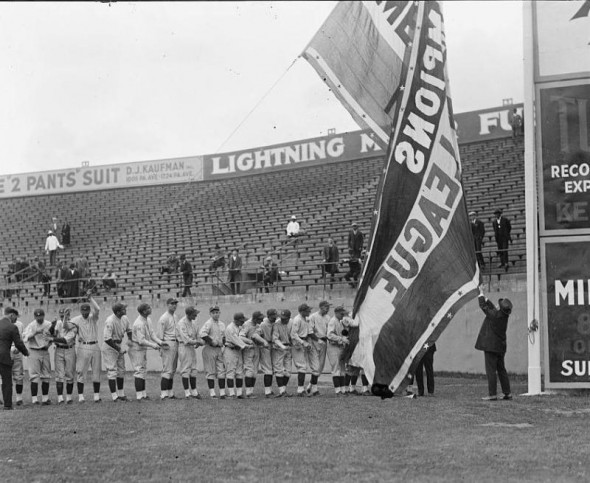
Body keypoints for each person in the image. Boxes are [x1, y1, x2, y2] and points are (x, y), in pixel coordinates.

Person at [475, 287, 513, 401]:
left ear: (500, 309)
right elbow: (492, 308)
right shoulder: (502, 316)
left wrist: (480, 295)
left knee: (491, 371)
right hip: (500, 347)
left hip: (491, 347)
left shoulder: (495, 316)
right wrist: (486, 298)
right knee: (501, 370)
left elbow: (484, 308)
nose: (497, 305)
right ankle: (507, 393)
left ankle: (492, 394)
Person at [66, 294, 102, 403]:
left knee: (96, 371)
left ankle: (96, 395)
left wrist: (90, 298)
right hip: (83, 346)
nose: (85, 313)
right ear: (80, 311)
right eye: (83, 311)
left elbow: (98, 309)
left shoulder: (93, 317)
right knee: (81, 371)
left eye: (87, 311)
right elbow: (66, 326)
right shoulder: (76, 319)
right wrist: (65, 316)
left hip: (95, 345)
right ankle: (81, 396)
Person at [129, 303, 167, 401]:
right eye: (148, 308)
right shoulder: (139, 323)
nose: (150, 309)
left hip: (142, 348)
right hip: (136, 347)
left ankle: (143, 394)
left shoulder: (148, 320)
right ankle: (139, 396)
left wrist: (160, 342)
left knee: (143, 370)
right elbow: (141, 340)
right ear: (144, 311)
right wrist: (153, 345)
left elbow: (152, 334)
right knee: (139, 370)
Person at [0, 307, 29, 410]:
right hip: (4, 357)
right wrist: (26, 352)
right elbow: (18, 343)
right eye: (15, 317)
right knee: (7, 382)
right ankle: (7, 405)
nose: (15, 320)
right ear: (11, 315)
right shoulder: (12, 327)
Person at [103, 302, 132, 402]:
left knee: (121, 370)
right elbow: (107, 339)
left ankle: (121, 394)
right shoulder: (110, 320)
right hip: (110, 346)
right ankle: (114, 396)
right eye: (124, 309)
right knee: (112, 371)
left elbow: (129, 330)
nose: (125, 310)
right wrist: (119, 349)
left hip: (119, 344)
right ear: (118, 312)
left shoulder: (124, 318)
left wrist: (130, 340)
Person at [23, 308, 53, 405]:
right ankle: (34, 399)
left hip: (44, 351)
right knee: (34, 376)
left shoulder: (48, 324)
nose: (39, 318)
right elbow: (25, 338)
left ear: (44, 316)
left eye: (41, 316)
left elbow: (53, 337)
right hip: (34, 351)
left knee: (46, 375)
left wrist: (48, 345)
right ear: (34, 316)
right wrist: (35, 333)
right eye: (37, 316)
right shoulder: (31, 325)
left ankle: (45, 399)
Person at [50, 308, 77, 404]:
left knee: (69, 373)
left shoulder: (73, 324)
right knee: (59, 374)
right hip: (59, 349)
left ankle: (69, 397)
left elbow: (65, 339)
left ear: (68, 315)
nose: (62, 318)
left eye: (64, 316)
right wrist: (51, 328)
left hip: (69, 348)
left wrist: (52, 339)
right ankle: (60, 397)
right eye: (61, 316)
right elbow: (53, 333)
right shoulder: (57, 323)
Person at [199, 305, 227, 399]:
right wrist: (211, 341)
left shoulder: (222, 324)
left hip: (219, 349)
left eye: (217, 312)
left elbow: (224, 336)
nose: (215, 314)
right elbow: (202, 334)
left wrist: (223, 343)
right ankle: (212, 394)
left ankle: (222, 393)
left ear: (219, 313)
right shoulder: (208, 323)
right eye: (213, 312)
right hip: (210, 348)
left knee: (221, 371)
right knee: (210, 371)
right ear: (210, 314)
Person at [224, 312, 253, 399]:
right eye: (241, 321)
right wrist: (246, 346)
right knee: (230, 372)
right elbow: (236, 340)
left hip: (238, 351)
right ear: (236, 320)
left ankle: (239, 393)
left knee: (239, 372)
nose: (242, 322)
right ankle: (232, 394)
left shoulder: (238, 327)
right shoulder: (230, 328)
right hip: (230, 350)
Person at [176, 306, 203, 399]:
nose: (196, 315)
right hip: (184, 346)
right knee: (185, 369)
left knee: (194, 369)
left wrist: (199, 341)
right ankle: (187, 393)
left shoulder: (194, 322)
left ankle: (194, 392)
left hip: (191, 347)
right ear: (188, 314)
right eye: (194, 314)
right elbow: (186, 339)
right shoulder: (181, 323)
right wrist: (197, 342)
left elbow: (198, 334)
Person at [240, 311, 268, 398]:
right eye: (260, 319)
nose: (262, 320)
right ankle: (248, 392)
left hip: (256, 349)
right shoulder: (247, 324)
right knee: (249, 370)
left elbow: (259, 336)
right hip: (248, 349)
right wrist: (249, 341)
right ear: (255, 319)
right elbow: (241, 336)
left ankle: (251, 391)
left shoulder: (257, 325)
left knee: (255, 371)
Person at [157, 297, 180, 399]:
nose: (174, 305)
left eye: (175, 303)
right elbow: (160, 335)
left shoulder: (175, 316)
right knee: (167, 369)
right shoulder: (163, 318)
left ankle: (170, 393)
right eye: (172, 303)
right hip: (167, 343)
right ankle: (163, 393)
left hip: (175, 343)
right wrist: (161, 346)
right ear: (167, 305)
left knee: (172, 370)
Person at [307, 301, 331, 396]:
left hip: (324, 342)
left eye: (328, 307)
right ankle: (315, 390)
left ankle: (310, 385)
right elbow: (310, 331)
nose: (328, 309)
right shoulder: (313, 316)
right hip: (314, 341)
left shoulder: (328, 317)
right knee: (316, 366)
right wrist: (317, 339)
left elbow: (329, 331)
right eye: (326, 307)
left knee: (320, 367)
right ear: (321, 307)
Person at [290, 303, 314, 397]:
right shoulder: (297, 319)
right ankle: (300, 390)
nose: (309, 312)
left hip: (303, 341)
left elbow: (307, 332)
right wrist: (303, 343)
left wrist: (307, 342)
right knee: (302, 367)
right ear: (302, 311)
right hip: (297, 343)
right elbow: (293, 334)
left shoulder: (305, 319)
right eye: (308, 310)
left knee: (304, 366)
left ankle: (301, 389)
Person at [326, 306, 350, 395]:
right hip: (333, 346)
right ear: (336, 312)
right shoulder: (333, 321)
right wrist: (341, 338)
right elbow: (329, 335)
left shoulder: (340, 321)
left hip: (340, 346)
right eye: (341, 313)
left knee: (342, 368)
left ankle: (343, 390)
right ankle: (337, 390)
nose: (342, 315)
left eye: (343, 314)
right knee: (336, 368)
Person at [272, 309, 293, 398]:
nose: (283, 320)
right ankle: (282, 391)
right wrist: (282, 346)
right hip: (279, 348)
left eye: (285, 318)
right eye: (282, 318)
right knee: (279, 370)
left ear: (289, 318)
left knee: (288, 372)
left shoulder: (291, 322)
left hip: (288, 348)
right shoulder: (277, 324)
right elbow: (275, 338)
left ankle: (283, 390)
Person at [259, 308, 278, 397]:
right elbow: (257, 336)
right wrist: (263, 343)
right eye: (273, 317)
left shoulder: (274, 323)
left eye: (275, 316)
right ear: (268, 316)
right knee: (268, 369)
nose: (274, 318)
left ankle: (269, 390)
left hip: (273, 346)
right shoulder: (263, 324)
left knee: (272, 369)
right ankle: (267, 392)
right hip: (265, 347)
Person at [10, 312, 25, 405]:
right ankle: (3, 397)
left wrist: (19, 348)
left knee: (19, 374)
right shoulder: (2, 324)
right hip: (6, 351)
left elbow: (22, 338)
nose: (16, 318)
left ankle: (19, 398)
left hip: (17, 350)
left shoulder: (20, 324)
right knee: (4, 375)